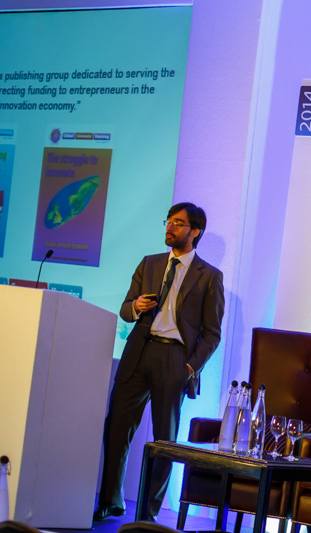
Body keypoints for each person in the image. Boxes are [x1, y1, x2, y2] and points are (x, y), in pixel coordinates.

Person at [94, 202, 225, 522]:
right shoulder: (149, 263)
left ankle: (148, 515)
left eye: (178, 223)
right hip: (139, 351)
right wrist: (136, 306)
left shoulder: (209, 276)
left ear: (195, 232)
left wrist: (190, 368)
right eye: (168, 221)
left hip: (175, 359)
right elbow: (126, 309)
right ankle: (110, 501)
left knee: (164, 441)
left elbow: (212, 333)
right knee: (116, 427)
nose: (170, 227)